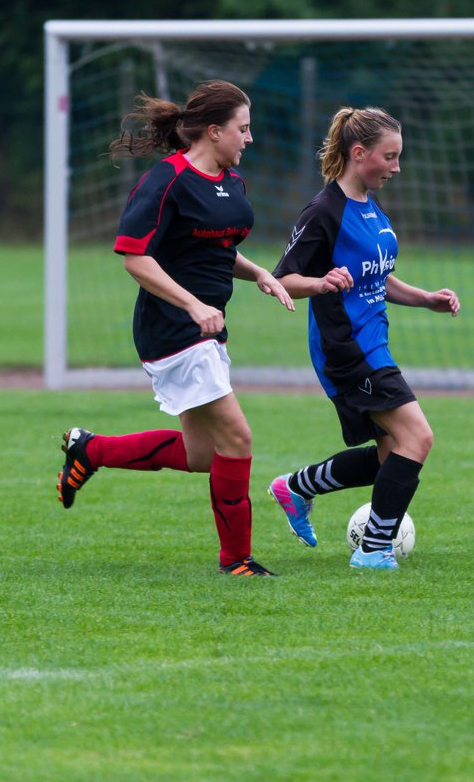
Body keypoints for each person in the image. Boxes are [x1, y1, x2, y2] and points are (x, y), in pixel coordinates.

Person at [55, 81, 295, 577]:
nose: (249, 139)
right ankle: (237, 561)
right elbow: (134, 256)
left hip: (206, 329)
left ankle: (91, 449)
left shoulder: (233, 182)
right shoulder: (165, 180)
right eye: (242, 129)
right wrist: (192, 305)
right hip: (172, 328)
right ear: (213, 131)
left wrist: (260, 274)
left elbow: (216, 251)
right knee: (238, 438)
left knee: (203, 454)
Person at [266, 107, 460, 570]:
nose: (396, 167)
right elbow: (281, 279)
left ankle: (296, 487)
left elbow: (378, 279)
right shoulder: (323, 212)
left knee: (391, 455)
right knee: (418, 437)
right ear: (359, 153)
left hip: (374, 344)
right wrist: (319, 283)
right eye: (389, 157)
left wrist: (426, 298)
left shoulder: (371, 206)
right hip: (346, 348)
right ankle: (374, 549)